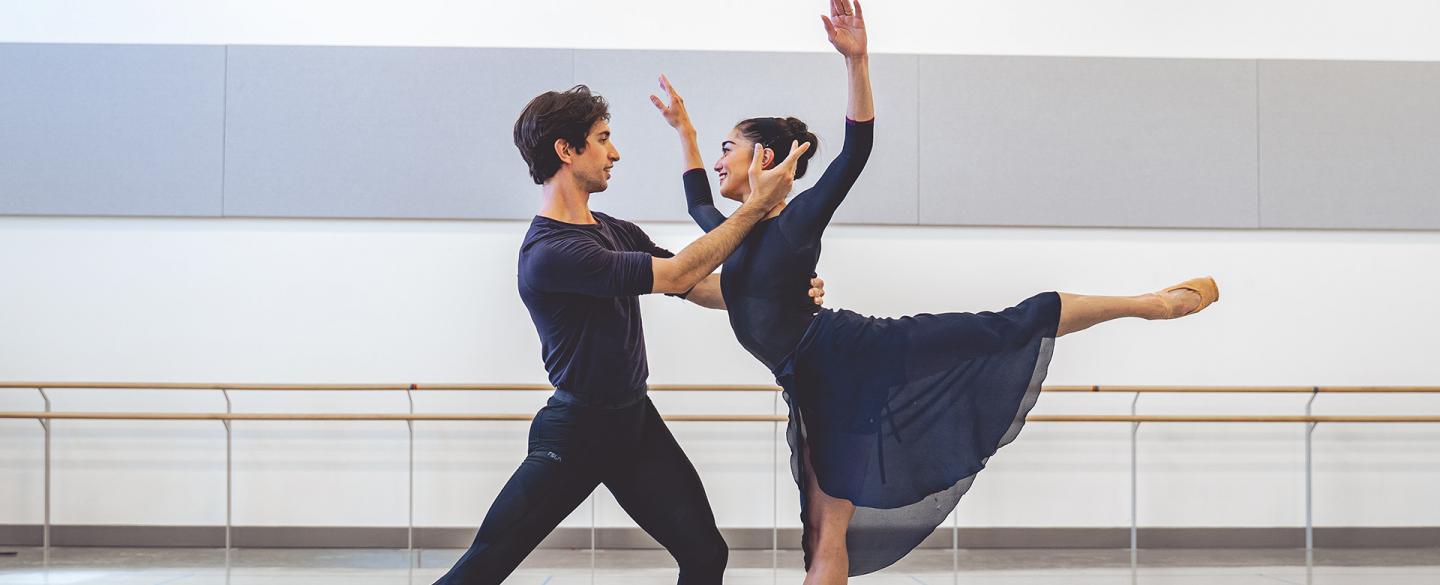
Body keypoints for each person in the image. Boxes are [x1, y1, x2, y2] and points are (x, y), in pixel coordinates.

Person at [649, 0, 1220, 582]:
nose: (718, 162)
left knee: (1005, 325)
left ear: (764, 158)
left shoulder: (795, 222)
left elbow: (855, 153)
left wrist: (858, 61)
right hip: (811, 380)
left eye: (727, 148)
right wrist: (685, 131)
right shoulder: (730, 233)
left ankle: (1152, 304)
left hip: (847, 357)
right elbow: (697, 197)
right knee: (823, 527)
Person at [434, 84, 822, 585]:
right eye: (602, 139)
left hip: (633, 424)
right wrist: (753, 208)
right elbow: (679, 274)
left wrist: (787, 293)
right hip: (577, 431)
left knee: (706, 554)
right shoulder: (551, 251)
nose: (614, 153)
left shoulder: (612, 230)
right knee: (483, 566)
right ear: (566, 150)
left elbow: (702, 287)